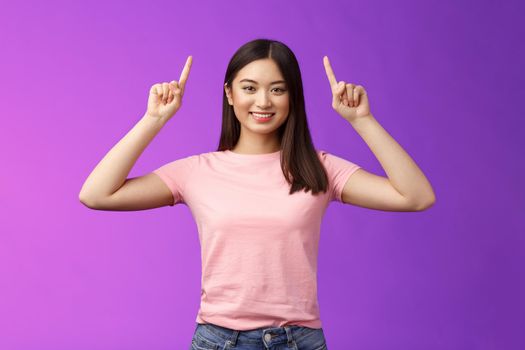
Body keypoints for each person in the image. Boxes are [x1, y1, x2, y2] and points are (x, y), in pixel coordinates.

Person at [79, 38, 435, 350]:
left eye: (278, 89)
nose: (263, 101)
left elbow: (416, 196)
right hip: (218, 340)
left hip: (300, 340)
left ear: (292, 97)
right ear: (229, 93)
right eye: (249, 88)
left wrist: (362, 121)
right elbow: (97, 194)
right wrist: (153, 119)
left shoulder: (319, 168)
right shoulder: (196, 171)